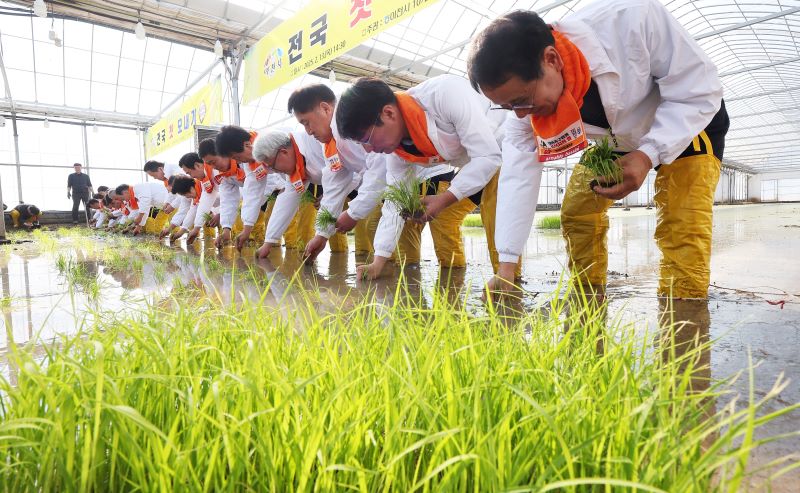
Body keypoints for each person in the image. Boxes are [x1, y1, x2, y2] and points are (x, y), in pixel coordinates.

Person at [467, 0, 728, 302]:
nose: (521, 115)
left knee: (682, 225)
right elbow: (517, 180)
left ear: (550, 59)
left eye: (522, 100)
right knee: (578, 211)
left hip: (688, 123)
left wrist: (647, 155)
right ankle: (588, 301)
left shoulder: (631, 19)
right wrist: (507, 265)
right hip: (616, 141)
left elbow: (699, 89)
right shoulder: (525, 112)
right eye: (508, 106)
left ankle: (685, 317)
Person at [335, 75, 507, 280]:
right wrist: (377, 263)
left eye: (367, 139)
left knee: (497, 217)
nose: (369, 149)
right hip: (473, 162)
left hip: (502, 146)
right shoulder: (398, 152)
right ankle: (458, 282)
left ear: (388, 113)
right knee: (444, 217)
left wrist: (443, 199)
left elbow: (488, 156)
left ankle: (509, 282)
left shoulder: (444, 94)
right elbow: (394, 203)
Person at [286, 84, 387, 262]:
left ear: (325, 108)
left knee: (379, 232)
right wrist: (321, 235)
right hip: (389, 185)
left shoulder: (353, 120)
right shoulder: (331, 145)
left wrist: (353, 213)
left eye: (307, 122)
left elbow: (379, 166)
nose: (308, 132)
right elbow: (334, 187)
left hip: (411, 177)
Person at [250, 127, 349, 259]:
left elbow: (344, 175)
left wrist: (321, 235)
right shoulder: (295, 166)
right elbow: (285, 204)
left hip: (367, 179)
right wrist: (268, 243)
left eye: (273, 166)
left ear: (283, 152)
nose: (276, 171)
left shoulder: (315, 143)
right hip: (347, 186)